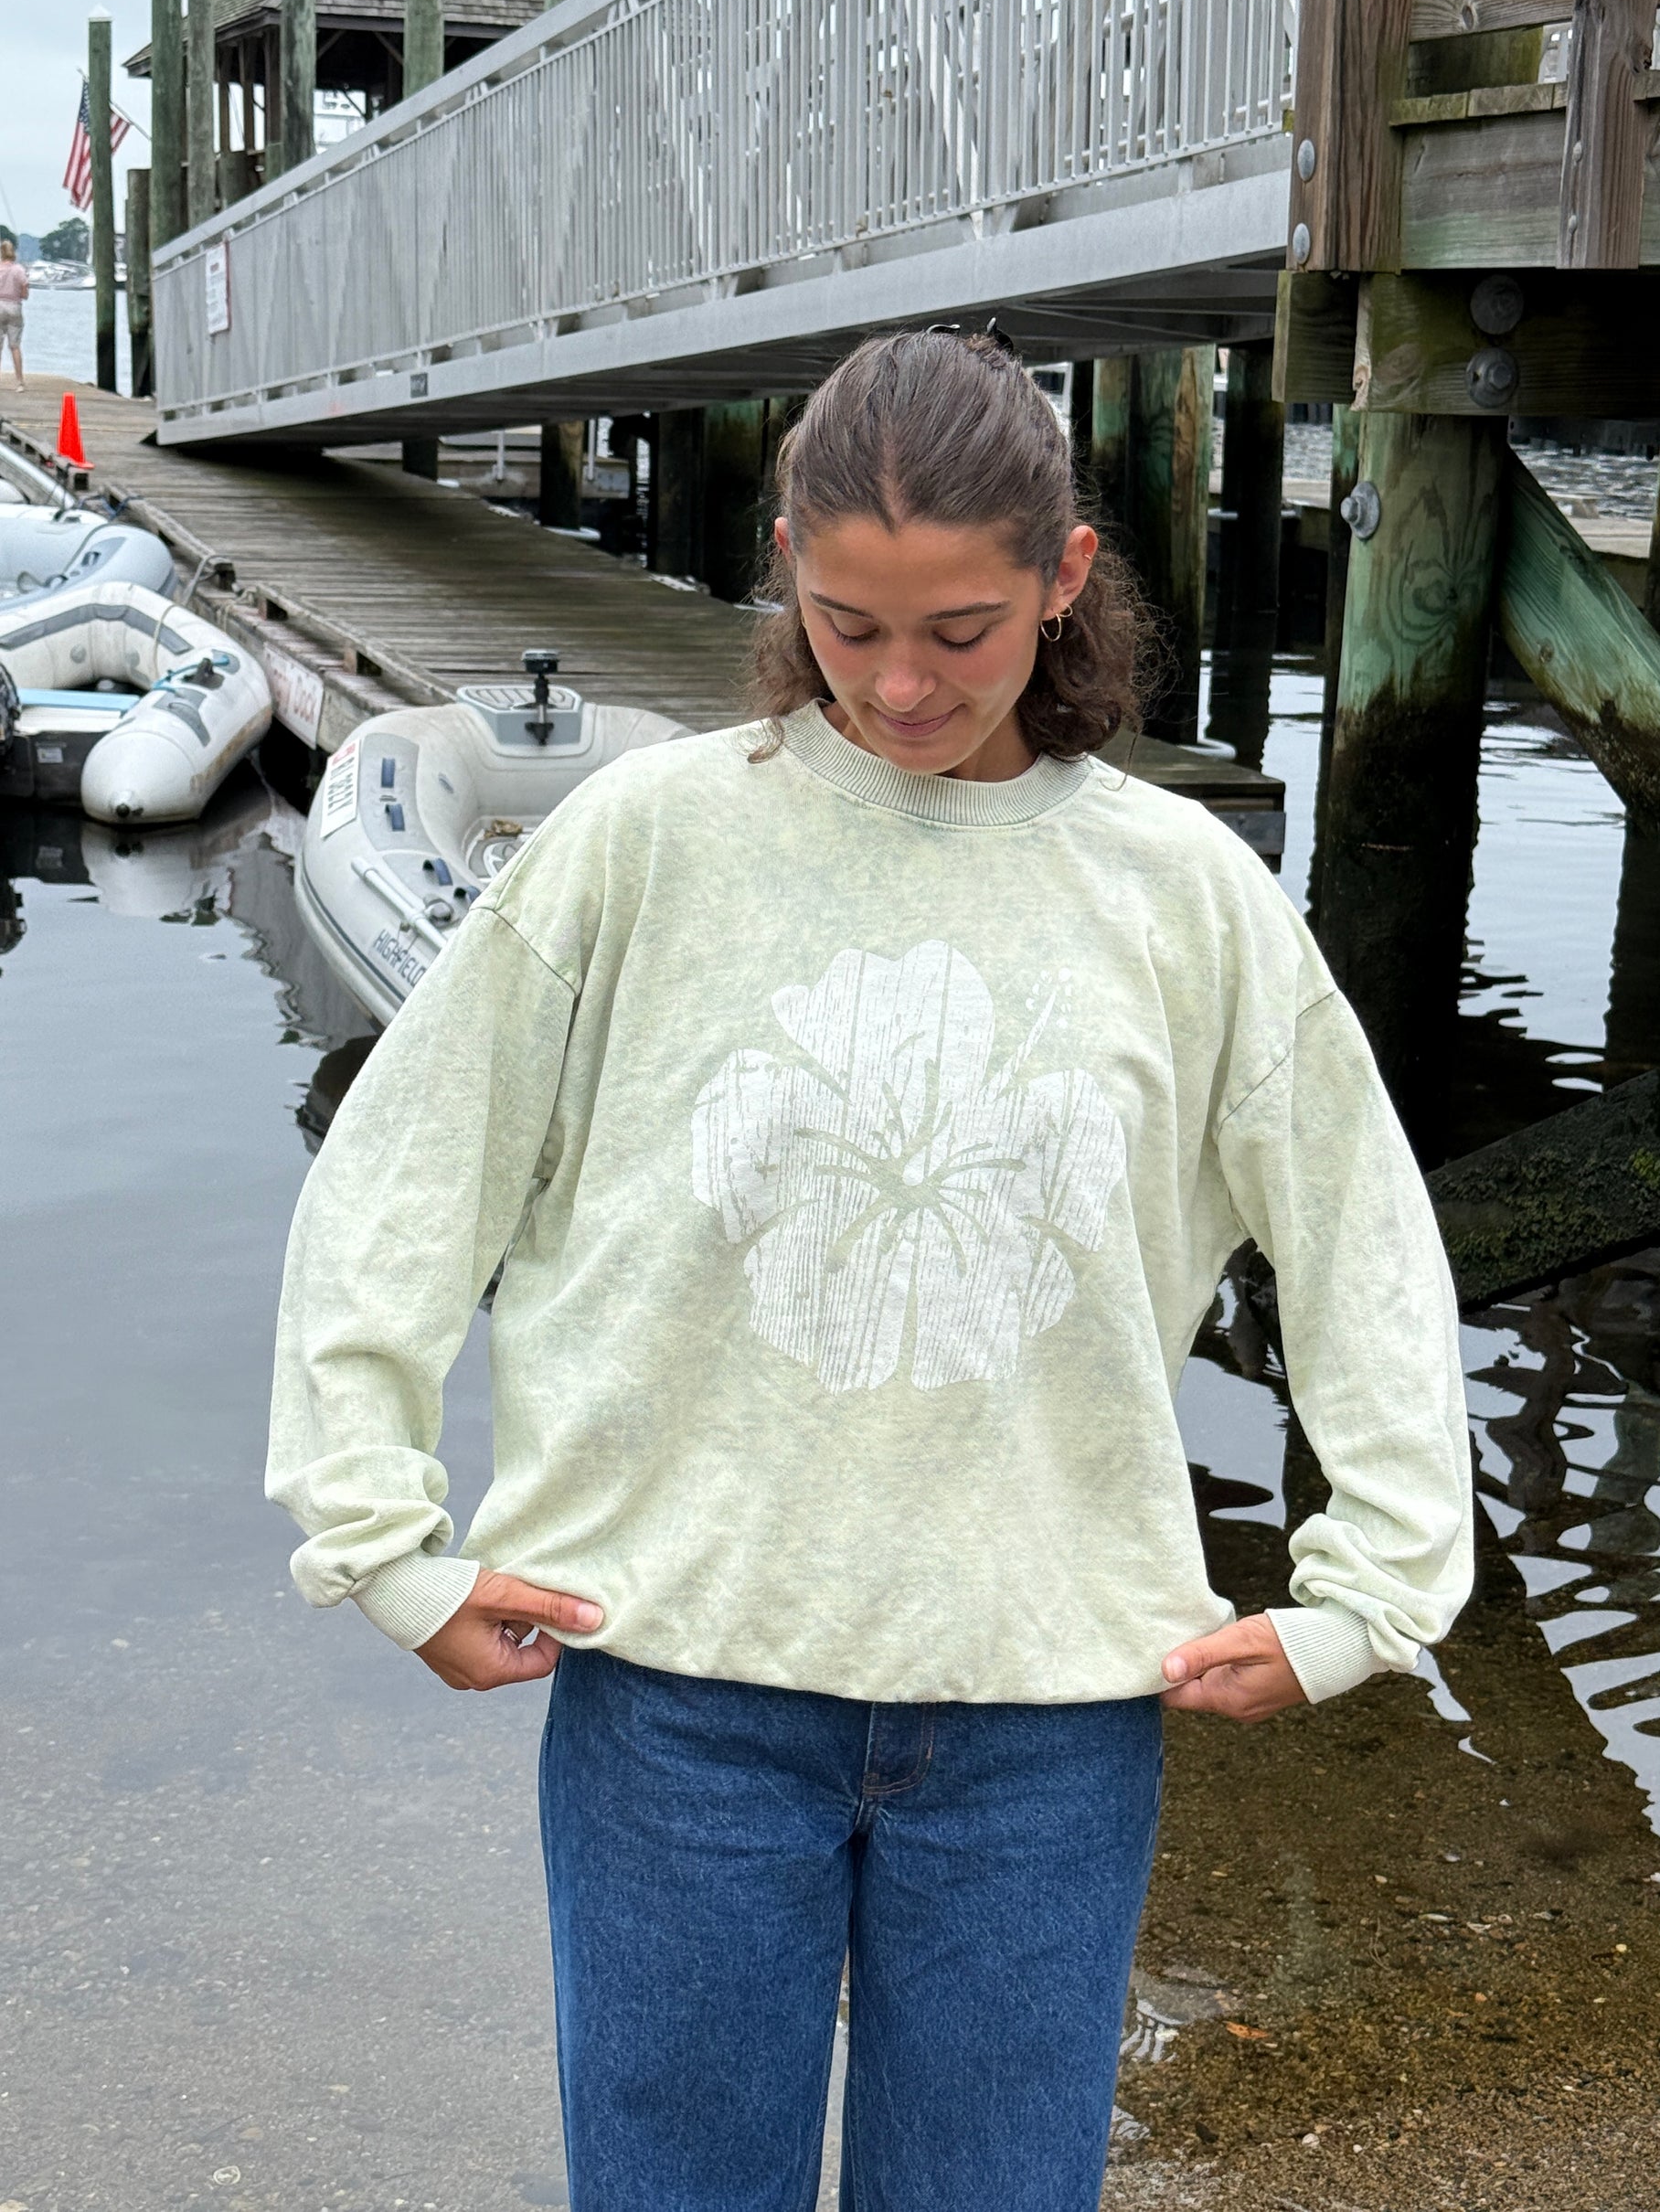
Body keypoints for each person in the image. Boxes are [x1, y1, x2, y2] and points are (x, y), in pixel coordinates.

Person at [268, 330, 1474, 2212]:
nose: (901, 683)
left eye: (961, 632)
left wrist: (1372, 1589)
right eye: (847, 626)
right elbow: (400, 1186)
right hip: (671, 1685)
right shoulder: (642, 844)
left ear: (1065, 578)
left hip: (1044, 1711)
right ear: (784, 567)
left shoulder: (1186, 896)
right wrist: (379, 1540)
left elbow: (1360, 1239)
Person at [0, 240, 27, 390]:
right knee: (15, 346)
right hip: (14, 307)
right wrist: (21, 294)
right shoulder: (19, 270)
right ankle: (20, 382)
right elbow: (24, 291)